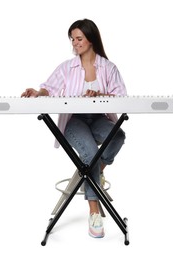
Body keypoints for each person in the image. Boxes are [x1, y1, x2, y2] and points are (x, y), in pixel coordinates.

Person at [21, 18, 127, 238]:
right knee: (89, 153)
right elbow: (48, 88)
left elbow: (121, 96)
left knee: (117, 136)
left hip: (99, 118)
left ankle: (92, 174)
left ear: (91, 39)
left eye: (79, 38)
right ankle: (94, 212)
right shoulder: (66, 68)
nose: (75, 43)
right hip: (74, 121)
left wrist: (101, 95)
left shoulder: (108, 68)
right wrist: (37, 92)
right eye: (72, 39)